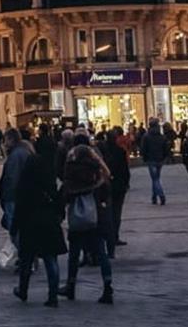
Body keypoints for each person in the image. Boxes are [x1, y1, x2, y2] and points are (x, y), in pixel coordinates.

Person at [59, 141, 113, 303]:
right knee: (101, 253)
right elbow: (106, 191)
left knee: (74, 254)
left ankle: (71, 285)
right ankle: (107, 286)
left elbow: (64, 195)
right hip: (94, 218)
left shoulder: (71, 170)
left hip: (76, 219)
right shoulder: (95, 171)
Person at [11, 150, 65, 307]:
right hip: (48, 222)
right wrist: (59, 215)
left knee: (26, 260)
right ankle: (53, 294)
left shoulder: (24, 184)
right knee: (50, 259)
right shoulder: (49, 182)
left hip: (29, 224)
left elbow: (19, 207)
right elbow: (58, 201)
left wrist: (14, 227)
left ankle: (23, 290)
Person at [0, 127, 32, 249]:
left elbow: (12, 178)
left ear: (11, 139)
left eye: (5, 140)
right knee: (21, 228)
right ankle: (27, 257)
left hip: (14, 197)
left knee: (15, 229)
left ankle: (25, 256)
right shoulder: (24, 151)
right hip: (22, 196)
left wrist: (6, 197)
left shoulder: (16, 155)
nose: (4, 143)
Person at [100, 127, 130, 250]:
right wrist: (126, 183)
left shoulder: (102, 152)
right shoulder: (120, 151)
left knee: (107, 212)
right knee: (116, 212)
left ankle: (107, 236)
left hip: (106, 185)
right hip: (119, 185)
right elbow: (125, 170)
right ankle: (114, 236)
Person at [140, 118, 168, 205]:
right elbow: (165, 148)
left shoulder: (146, 136)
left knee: (155, 179)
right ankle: (154, 197)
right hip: (159, 159)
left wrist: (144, 157)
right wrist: (164, 157)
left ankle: (161, 195)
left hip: (151, 159)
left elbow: (143, 149)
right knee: (156, 178)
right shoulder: (161, 136)